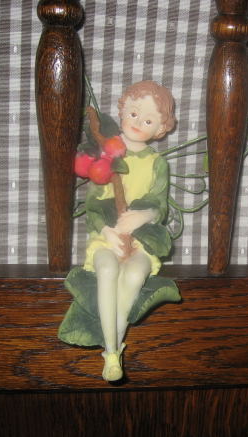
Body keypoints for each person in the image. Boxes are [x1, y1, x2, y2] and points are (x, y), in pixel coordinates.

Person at [80, 81, 176, 382]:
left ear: (161, 128)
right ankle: (111, 353)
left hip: (141, 239)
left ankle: (113, 345)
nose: (138, 123)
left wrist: (142, 217)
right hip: (107, 236)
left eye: (148, 121)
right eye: (133, 114)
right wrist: (107, 232)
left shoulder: (157, 163)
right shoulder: (107, 154)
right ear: (122, 111)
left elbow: (160, 205)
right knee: (107, 269)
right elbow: (93, 205)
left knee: (134, 276)